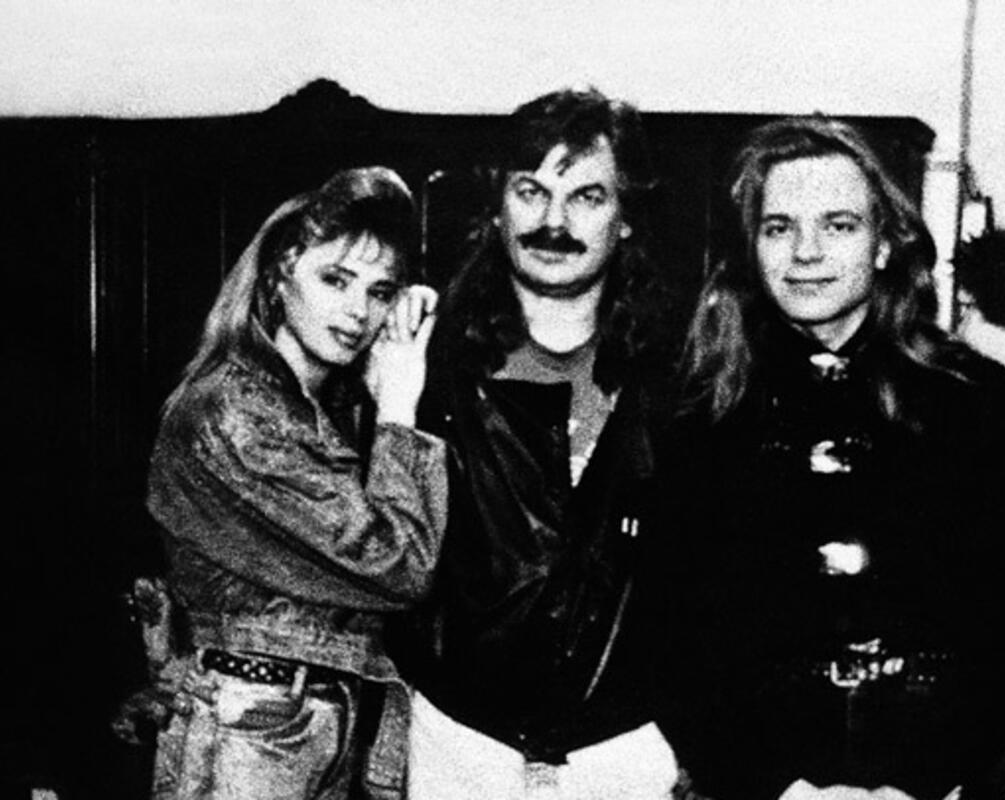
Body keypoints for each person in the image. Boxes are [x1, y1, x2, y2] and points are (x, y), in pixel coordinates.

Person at [649, 118, 1005, 800]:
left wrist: (927, 782)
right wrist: (764, 786)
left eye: (838, 225)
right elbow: (671, 634)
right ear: (752, 247)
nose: (805, 252)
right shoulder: (701, 413)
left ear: (884, 244)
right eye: (778, 227)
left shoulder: (977, 403)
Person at [402, 87, 679, 799]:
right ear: (497, 207)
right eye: (532, 191)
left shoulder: (681, 378)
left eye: (586, 197)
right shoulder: (422, 362)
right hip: (459, 744)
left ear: (626, 217)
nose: (554, 222)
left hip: (623, 752)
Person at [143, 166, 446, 800]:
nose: (359, 311)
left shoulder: (311, 409)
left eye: (381, 291)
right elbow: (400, 566)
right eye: (335, 279)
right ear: (281, 275)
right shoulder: (234, 412)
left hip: (300, 719)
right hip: (251, 723)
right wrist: (398, 410)